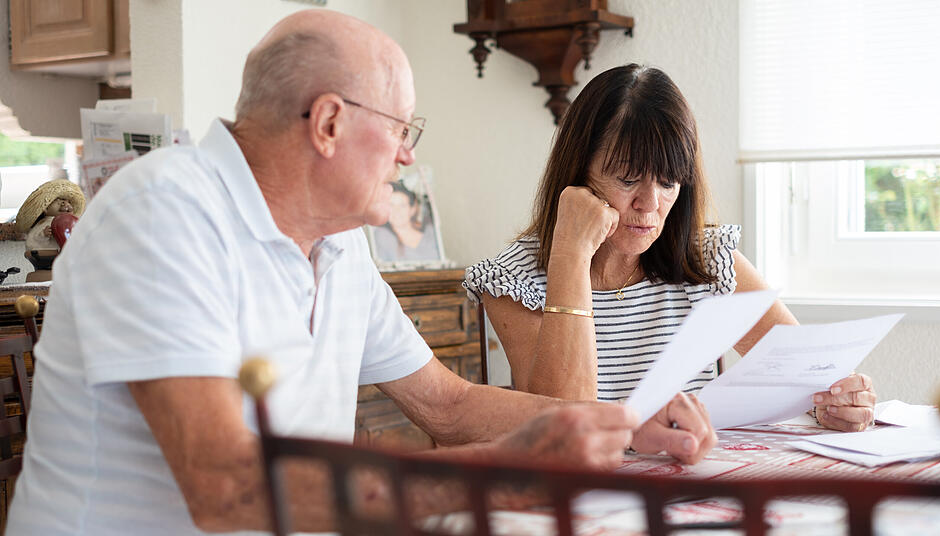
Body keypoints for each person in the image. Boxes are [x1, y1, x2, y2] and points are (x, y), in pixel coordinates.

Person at [7, 15, 715, 536]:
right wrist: (502, 469)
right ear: (328, 125)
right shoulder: (162, 213)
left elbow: (448, 405)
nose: (408, 158)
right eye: (402, 129)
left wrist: (621, 424)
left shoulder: (338, 248)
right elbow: (226, 489)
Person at [464, 64, 876, 433]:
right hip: (583, 499)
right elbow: (565, 422)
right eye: (627, 180)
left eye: (667, 182)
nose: (650, 205)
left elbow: (811, 378)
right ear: (578, 173)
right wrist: (571, 255)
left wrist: (836, 402)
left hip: (693, 482)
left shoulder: (707, 260)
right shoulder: (513, 279)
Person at [371, 181, 441, 262]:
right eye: (391, 205)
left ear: (412, 209)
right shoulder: (382, 235)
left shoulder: (430, 232)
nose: (397, 211)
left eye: (402, 206)